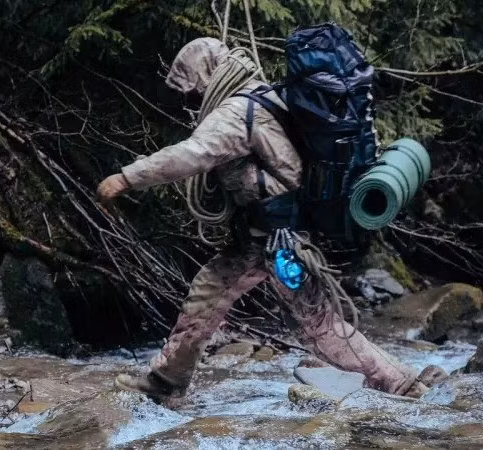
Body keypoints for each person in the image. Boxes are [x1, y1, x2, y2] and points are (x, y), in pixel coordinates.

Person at [96, 37, 441, 402]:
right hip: (275, 235)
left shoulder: (236, 113)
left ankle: (401, 384)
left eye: (191, 90)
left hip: (274, 240)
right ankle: (166, 381)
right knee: (212, 297)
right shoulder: (266, 95)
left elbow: (192, 154)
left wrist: (127, 177)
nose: (190, 100)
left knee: (316, 326)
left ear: (204, 77)